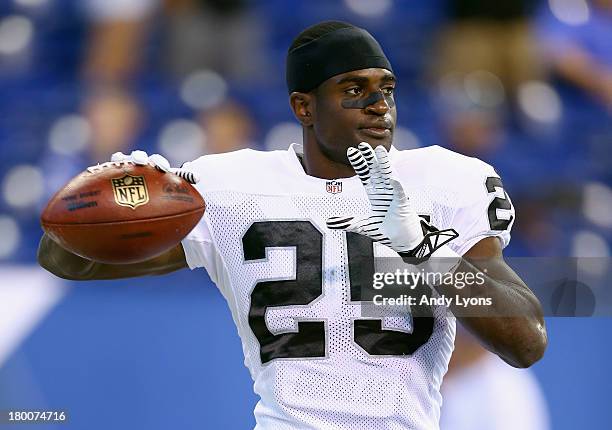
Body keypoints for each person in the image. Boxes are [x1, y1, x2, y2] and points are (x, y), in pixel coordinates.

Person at [38, 21, 547, 430]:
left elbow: (525, 342)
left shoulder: (446, 181)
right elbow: (67, 261)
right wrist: (115, 206)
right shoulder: (230, 187)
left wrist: (424, 251)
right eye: (354, 90)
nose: (378, 107)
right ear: (304, 107)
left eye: (386, 90)